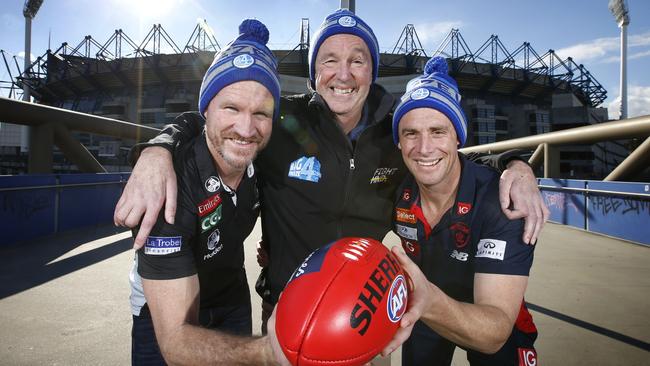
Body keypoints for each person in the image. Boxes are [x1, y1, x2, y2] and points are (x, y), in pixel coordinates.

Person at [116, 9, 548, 332]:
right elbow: (216, 123)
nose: (343, 74)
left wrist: (514, 166)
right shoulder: (282, 124)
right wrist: (157, 149)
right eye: (329, 60)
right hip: (285, 307)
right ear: (313, 74)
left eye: (357, 60)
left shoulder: (397, 132)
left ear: (372, 71)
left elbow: (445, 155)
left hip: (366, 312)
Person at [128, 19, 288, 365]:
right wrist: (269, 352)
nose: (246, 129)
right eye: (231, 108)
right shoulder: (168, 186)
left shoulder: (263, 157)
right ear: (206, 111)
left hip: (230, 295)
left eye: (261, 113)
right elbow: (176, 342)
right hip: (164, 312)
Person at [382, 56, 538, 366]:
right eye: (411, 133)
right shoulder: (394, 189)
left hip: (490, 317)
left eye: (438, 131)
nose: (424, 148)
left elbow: (493, 333)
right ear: (398, 142)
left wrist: (517, 164)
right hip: (425, 309)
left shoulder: (503, 200)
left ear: (458, 138)